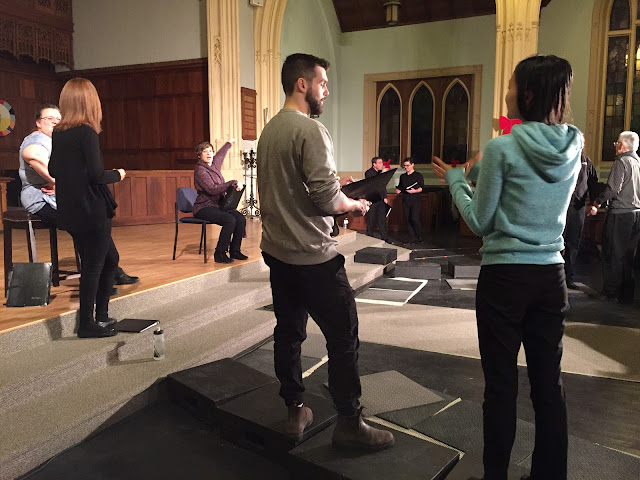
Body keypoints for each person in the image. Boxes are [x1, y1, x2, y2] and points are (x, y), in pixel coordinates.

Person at [433, 55, 583, 480]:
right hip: (551, 278)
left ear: (529, 94)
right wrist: (482, 163)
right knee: (548, 387)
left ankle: (494, 475)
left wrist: (457, 181)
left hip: (505, 279)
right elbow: (528, 162)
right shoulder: (574, 143)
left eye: (512, 86)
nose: (507, 93)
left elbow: (480, 222)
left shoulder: (504, 147)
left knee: (501, 387)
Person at [257, 53, 394, 451]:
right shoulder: (311, 130)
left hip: (278, 253)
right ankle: (350, 423)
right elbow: (324, 202)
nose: (326, 91)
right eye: (322, 83)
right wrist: (351, 203)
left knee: (289, 333)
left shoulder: (269, 131)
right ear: (302, 84)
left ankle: (294, 411)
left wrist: (336, 190)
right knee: (343, 337)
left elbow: (293, 189)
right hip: (313, 256)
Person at [19, 103, 139, 290]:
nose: (55, 122)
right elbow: (32, 154)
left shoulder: (57, 139)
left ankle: (110, 270)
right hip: (40, 199)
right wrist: (60, 184)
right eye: (49, 119)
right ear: (38, 123)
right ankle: (104, 274)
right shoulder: (37, 138)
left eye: (58, 119)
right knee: (87, 223)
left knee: (94, 222)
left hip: (61, 198)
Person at [49, 78, 127, 338]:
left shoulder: (59, 133)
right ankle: (87, 324)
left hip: (71, 210)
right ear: (91, 102)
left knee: (109, 261)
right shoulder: (86, 132)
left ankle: (101, 316)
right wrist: (118, 173)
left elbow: (52, 170)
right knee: (94, 266)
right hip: (93, 209)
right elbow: (96, 174)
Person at [588, 131, 640, 303]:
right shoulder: (638, 162)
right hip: (636, 214)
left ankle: (610, 292)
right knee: (628, 255)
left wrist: (596, 203)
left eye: (617, 143)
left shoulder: (622, 162)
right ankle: (627, 293)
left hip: (620, 214)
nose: (615, 146)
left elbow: (612, 189)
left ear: (623, 146)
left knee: (613, 253)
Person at [192, 140, 247, 264]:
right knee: (229, 219)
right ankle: (220, 253)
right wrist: (231, 182)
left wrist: (229, 143)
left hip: (217, 205)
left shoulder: (213, 166)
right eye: (205, 151)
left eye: (210, 151)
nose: (208, 153)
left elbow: (220, 155)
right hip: (203, 207)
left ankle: (235, 250)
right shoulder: (200, 170)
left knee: (240, 218)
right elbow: (212, 189)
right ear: (199, 155)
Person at [563, 151, 599, 289]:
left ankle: (568, 277)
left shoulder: (586, 161)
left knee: (573, 243)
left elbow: (593, 182)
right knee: (558, 242)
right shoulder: (564, 158)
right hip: (562, 207)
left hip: (578, 208)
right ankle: (555, 276)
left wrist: (594, 204)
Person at [395, 157, 424, 244]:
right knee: (408, 219)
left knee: (414, 218)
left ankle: (419, 236)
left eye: (408, 165)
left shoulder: (418, 175)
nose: (406, 167)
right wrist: (398, 190)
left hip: (415, 200)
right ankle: (412, 238)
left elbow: (421, 188)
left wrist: (415, 191)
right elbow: (400, 186)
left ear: (412, 165)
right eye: (405, 166)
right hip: (406, 200)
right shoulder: (402, 176)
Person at [365, 156, 391, 243]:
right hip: (372, 199)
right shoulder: (368, 172)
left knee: (382, 219)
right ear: (374, 164)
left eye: (382, 163)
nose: (382, 164)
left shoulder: (380, 172)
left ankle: (385, 237)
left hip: (381, 199)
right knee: (371, 219)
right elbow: (374, 183)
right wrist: (382, 174)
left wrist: (385, 197)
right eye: (379, 163)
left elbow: (383, 186)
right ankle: (369, 235)